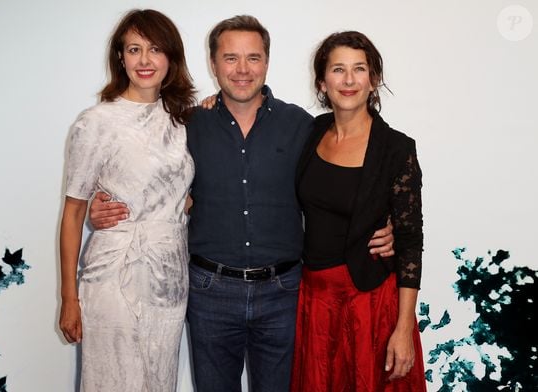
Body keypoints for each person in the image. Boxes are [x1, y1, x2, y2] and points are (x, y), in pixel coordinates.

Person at [89, 16, 394, 392]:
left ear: (267, 62)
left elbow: (342, 181)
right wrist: (107, 210)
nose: (243, 69)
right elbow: (149, 179)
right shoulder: (186, 124)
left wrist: (384, 223)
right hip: (209, 290)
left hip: (283, 291)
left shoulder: (301, 125)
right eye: (230, 58)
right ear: (214, 64)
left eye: (253, 58)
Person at [58, 9, 195, 392]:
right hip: (113, 274)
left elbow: (189, 194)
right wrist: (69, 298)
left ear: (171, 57)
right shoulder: (96, 122)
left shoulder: (185, 121)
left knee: (158, 380)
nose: (145, 60)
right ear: (121, 58)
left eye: (155, 49)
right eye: (134, 50)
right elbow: (72, 215)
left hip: (169, 278)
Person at [290, 31, 426, 391]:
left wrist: (403, 329)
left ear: (374, 79)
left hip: (371, 303)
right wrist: (212, 104)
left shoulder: (396, 149)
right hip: (315, 301)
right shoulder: (309, 132)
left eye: (359, 69)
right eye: (338, 69)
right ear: (322, 81)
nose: (348, 80)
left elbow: (411, 242)